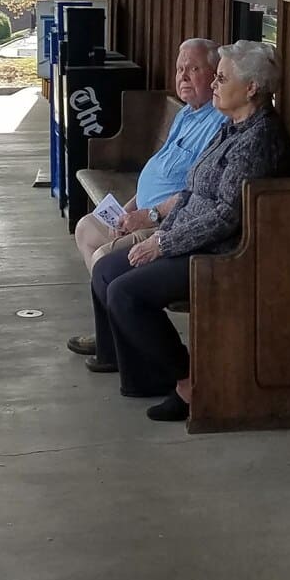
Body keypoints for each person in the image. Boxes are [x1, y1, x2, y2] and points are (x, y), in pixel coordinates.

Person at [87, 40, 290, 422]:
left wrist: (162, 243)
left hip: (223, 253)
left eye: (221, 78)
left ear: (251, 88)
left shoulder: (257, 140)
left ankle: (190, 382)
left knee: (126, 292)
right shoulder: (234, 127)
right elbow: (193, 191)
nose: (214, 84)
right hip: (192, 237)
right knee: (106, 271)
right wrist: (158, 228)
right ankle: (145, 377)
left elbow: (225, 217)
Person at [64, 39, 226, 359]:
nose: (183, 76)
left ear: (214, 76)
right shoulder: (187, 113)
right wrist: (130, 206)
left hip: (166, 222)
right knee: (86, 228)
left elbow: (197, 190)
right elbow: (162, 166)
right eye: (180, 69)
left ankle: (118, 340)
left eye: (194, 69)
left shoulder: (218, 121)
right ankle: (116, 330)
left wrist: (147, 215)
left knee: (104, 261)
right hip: (141, 210)